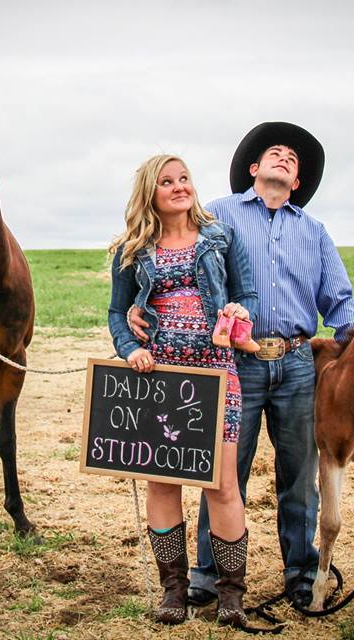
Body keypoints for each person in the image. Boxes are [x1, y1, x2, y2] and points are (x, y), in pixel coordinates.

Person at [128, 123, 354, 608]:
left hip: (296, 360)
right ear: (253, 169)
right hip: (234, 359)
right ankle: (208, 576)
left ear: (297, 181)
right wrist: (136, 307)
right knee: (221, 471)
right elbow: (169, 260)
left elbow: (339, 300)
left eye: (292, 159)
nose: (284, 158)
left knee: (299, 473)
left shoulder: (314, 232)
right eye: (273, 153)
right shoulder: (218, 216)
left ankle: (300, 572)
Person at [108, 154, 259, 627]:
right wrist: (130, 346)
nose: (179, 187)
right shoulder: (132, 251)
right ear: (150, 193)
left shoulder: (220, 237)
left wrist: (237, 316)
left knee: (221, 483)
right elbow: (117, 313)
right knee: (163, 482)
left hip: (216, 374)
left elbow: (247, 295)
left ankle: (231, 595)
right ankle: (173, 590)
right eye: (167, 181)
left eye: (185, 178)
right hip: (160, 380)